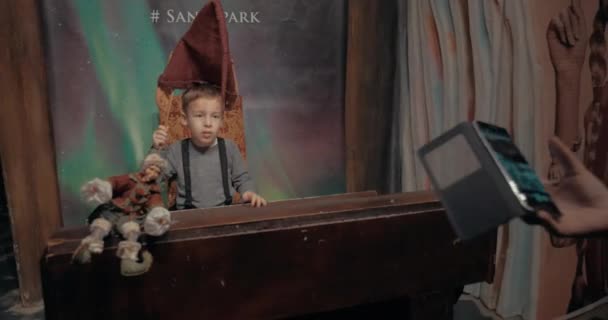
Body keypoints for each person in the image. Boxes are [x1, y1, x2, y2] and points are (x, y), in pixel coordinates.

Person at [151, 83, 267, 209]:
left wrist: (249, 192)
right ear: (185, 119)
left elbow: (242, 179)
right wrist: (157, 150)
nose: (208, 123)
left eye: (215, 116)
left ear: (222, 120)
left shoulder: (229, 148)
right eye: (199, 115)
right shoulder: (176, 151)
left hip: (224, 213)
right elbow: (155, 179)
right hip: (188, 216)